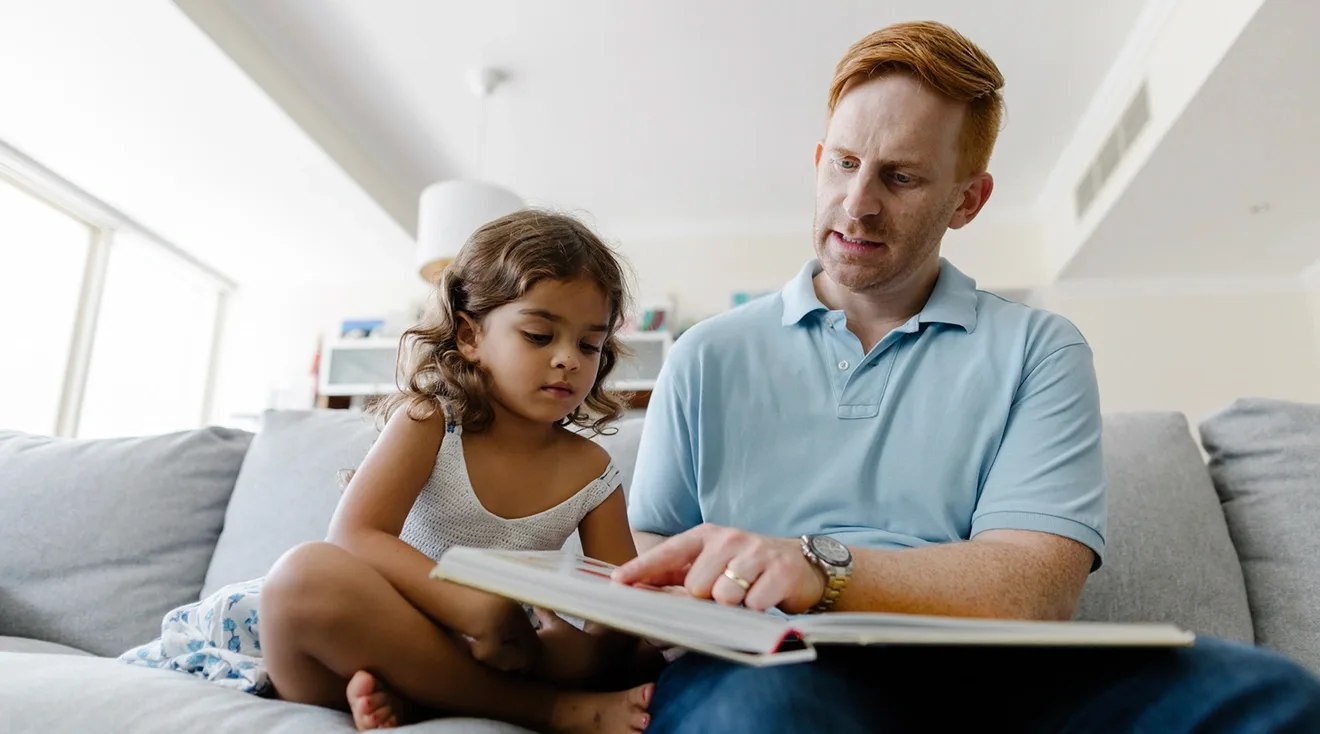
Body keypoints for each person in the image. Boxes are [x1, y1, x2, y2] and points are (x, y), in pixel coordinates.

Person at [611, 20, 1320, 733]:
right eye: (846, 163)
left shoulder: (1039, 349)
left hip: (987, 675)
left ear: (967, 201)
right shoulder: (705, 355)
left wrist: (816, 567)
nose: (858, 202)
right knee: (767, 715)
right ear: (820, 159)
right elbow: (649, 561)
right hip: (769, 666)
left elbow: (1033, 586)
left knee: (1264, 693)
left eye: (902, 177)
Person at [120, 210, 656, 733]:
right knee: (303, 576)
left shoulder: (593, 471)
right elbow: (353, 535)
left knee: (639, 651)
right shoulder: (431, 420)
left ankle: (419, 699)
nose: (569, 359)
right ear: (470, 336)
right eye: (540, 335)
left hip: (492, 649)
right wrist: (471, 608)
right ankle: (546, 712)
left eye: (590, 344)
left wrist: (580, 650)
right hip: (377, 627)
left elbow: (616, 600)